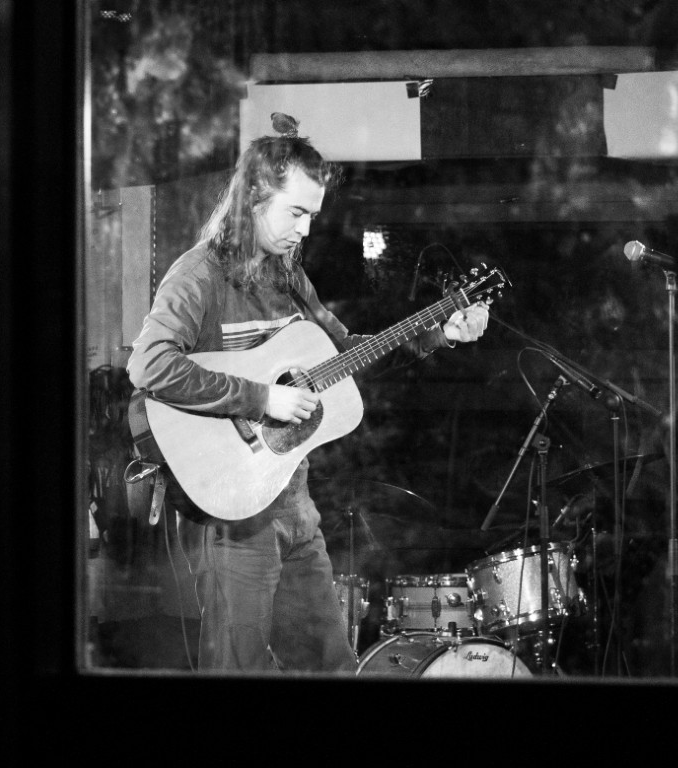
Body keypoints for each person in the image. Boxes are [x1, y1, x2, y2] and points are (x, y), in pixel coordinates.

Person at [126, 113, 490, 673]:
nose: (305, 230)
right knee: (241, 669)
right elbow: (149, 364)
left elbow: (345, 354)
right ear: (253, 197)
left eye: (313, 216)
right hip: (232, 513)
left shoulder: (289, 277)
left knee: (332, 665)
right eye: (296, 212)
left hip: (293, 501)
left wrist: (439, 333)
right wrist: (261, 399)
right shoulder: (198, 275)